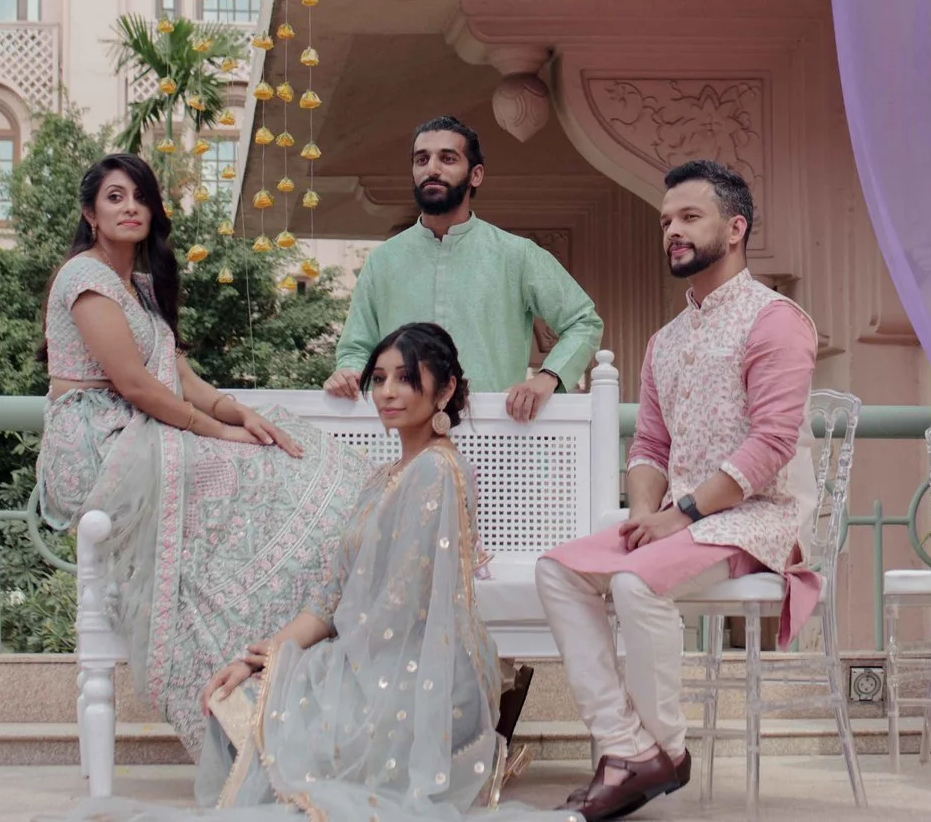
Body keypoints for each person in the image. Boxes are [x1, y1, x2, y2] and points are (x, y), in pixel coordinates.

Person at [89, 324, 574, 821]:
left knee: (277, 717)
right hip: (375, 659)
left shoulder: (438, 473)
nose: (387, 392)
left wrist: (311, 671)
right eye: (379, 378)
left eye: (406, 378)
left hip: (415, 676)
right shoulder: (383, 478)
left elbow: (401, 610)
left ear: (445, 390)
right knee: (241, 694)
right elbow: (334, 594)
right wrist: (270, 655)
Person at [36, 153, 368, 764]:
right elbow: (135, 385)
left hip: (142, 427)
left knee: (277, 442)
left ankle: (332, 565)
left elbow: (179, 374)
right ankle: (234, 634)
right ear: (90, 213)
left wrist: (233, 412)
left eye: (139, 196)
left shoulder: (138, 284)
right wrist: (216, 433)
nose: (129, 206)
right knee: (230, 464)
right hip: (99, 440)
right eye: (114, 197)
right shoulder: (84, 279)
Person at [533, 160, 822, 822]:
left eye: (690, 217)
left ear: (736, 226)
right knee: (557, 569)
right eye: (666, 221)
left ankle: (663, 749)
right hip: (680, 521)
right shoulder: (665, 340)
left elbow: (773, 441)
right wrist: (644, 515)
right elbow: (649, 448)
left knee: (637, 583)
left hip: (755, 517)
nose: (673, 231)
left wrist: (680, 513)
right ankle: (622, 743)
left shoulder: (775, 319)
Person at [325, 116, 603, 423]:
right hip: (402, 437)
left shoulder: (515, 255)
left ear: (476, 174)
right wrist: (348, 372)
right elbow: (356, 348)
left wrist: (548, 377)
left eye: (447, 158)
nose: (431, 169)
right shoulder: (383, 261)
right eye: (421, 159)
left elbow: (583, 321)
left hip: (493, 433)